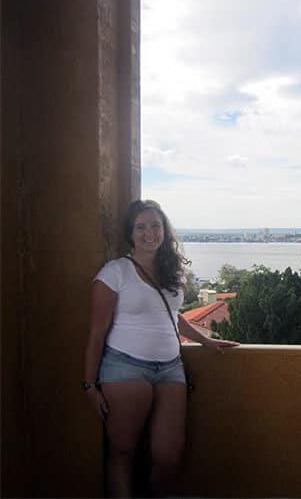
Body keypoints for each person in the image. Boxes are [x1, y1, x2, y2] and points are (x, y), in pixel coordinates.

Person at [83, 199, 239, 497]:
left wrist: (205, 340)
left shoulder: (170, 273)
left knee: (169, 456)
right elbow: (97, 331)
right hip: (125, 366)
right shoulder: (114, 273)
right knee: (123, 452)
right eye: (140, 227)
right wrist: (90, 385)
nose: (149, 233)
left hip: (170, 368)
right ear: (130, 234)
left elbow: (171, 314)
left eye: (155, 226)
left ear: (165, 231)